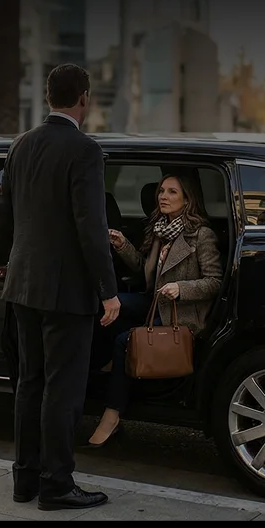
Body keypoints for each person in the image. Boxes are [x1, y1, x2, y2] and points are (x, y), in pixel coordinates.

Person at [0, 63, 117, 511]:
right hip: (66, 293)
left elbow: (1, 213)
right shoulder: (85, 151)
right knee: (62, 390)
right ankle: (57, 485)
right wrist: (109, 289)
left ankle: (25, 481)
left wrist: (0, 259)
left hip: (23, 286)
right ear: (84, 98)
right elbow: (91, 228)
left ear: (48, 98)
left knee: (29, 384)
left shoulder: (21, 144)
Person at [86, 173, 223, 447]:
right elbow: (143, 270)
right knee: (103, 306)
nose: (163, 196)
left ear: (187, 200)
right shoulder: (160, 230)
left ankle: (112, 416)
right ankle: (99, 370)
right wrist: (122, 245)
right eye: (161, 191)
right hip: (154, 304)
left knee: (125, 342)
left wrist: (181, 288)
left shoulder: (201, 235)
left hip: (180, 313)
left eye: (173, 192)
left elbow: (215, 281)